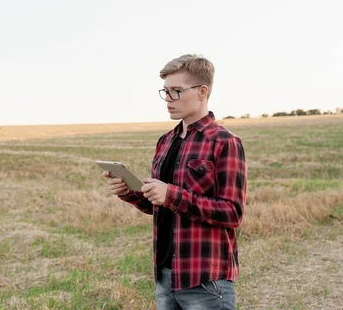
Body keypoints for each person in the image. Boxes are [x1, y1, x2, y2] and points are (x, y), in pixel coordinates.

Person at [104, 54, 247, 309]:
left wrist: (172, 195)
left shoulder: (224, 141)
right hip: (166, 276)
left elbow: (232, 212)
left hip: (205, 280)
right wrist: (129, 192)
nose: (168, 99)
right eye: (166, 91)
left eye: (177, 91)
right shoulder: (165, 141)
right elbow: (157, 205)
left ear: (202, 91)